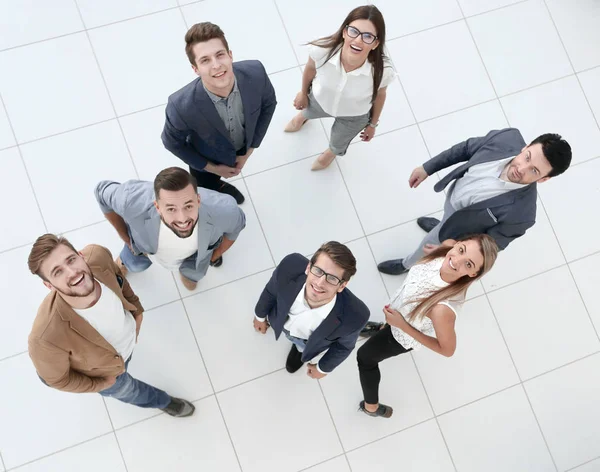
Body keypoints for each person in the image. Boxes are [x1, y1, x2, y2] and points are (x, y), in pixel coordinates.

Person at [27, 235, 195, 417]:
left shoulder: (97, 256)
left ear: (81, 255)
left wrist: (137, 311)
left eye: (71, 260)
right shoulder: (45, 338)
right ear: (48, 285)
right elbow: (58, 380)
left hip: (126, 342)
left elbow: (119, 279)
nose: (72, 272)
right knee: (131, 391)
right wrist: (101, 384)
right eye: (57, 272)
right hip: (107, 374)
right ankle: (162, 401)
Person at [377, 129, 572, 275]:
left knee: (430, 243)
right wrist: (428, 168)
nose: (522, 168)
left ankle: (407, 265)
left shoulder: (523, 215)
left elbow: (489, 244)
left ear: (544, 179)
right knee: (448, 218)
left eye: (535, 171)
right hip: (455, 201)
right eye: (527, 157)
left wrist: (449, 249)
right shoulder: (506, 138)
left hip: (463, 231)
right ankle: (444, 224)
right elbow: (465, 149)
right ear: (526, 147)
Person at [358, 235, 498, 418]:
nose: (456, 260)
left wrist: (401, 325)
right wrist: (438, 253)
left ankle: (372, 407)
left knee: (365, 358)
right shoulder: (447, 247)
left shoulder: (442, 309)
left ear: (473, 275)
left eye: (468, 264)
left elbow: (447, 350)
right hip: (398, 311)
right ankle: (382, 328)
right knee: (386, 327)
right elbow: (447, 246)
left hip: (401, 335)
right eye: (461, 250)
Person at [162, 22, 277, 204]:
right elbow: (171, 143)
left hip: (242, 144)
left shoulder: (256, 73)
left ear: (230, 55)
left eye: (220, 55)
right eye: (205, 60)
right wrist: (214, 169)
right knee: (205, 187)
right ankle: (217, 186)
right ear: (195, 69)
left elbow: (269, 104)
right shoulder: (180, 106)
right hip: (207, 159)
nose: (216, 65)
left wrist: (250, 150)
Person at [95, 167, 245, 291]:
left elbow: (237, 225)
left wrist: (216, 254)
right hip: (142, 247)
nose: (182, 219)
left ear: (198, 200)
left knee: (191, 280)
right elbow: (101, 192)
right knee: (133, 263)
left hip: (192, 259)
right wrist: (125, 237)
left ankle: (187, 276)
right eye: (171, 209)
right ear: (158, 207)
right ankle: (124, 264)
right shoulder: (131, 200)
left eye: (188, 206)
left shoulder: (224, 210)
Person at [284, 5, 395, 171]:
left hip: (354, 115)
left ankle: (330, 153)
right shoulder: (321, 49)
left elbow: (380, 95)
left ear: (375, 43)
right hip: (320, 100)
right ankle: (303, 117)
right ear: (344, 32)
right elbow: (310, 69)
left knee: (338, 142)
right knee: (308, 111)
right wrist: (303, 93)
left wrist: (372, 124)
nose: (358, 40)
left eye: (367, 36)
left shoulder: (383, 71)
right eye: (353, 31)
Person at [254, 242, 369, 377]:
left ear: (342, 286)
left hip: (307, 341)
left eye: (332, 278)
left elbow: (343, 347)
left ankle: (299, 350)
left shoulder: (356, 318)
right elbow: (271, 292)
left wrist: (322, 368)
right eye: (318, 271)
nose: (319, 283)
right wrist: (260, 316)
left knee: (300, 346)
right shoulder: (289, 267)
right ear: (308, 267)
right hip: (280, 319)